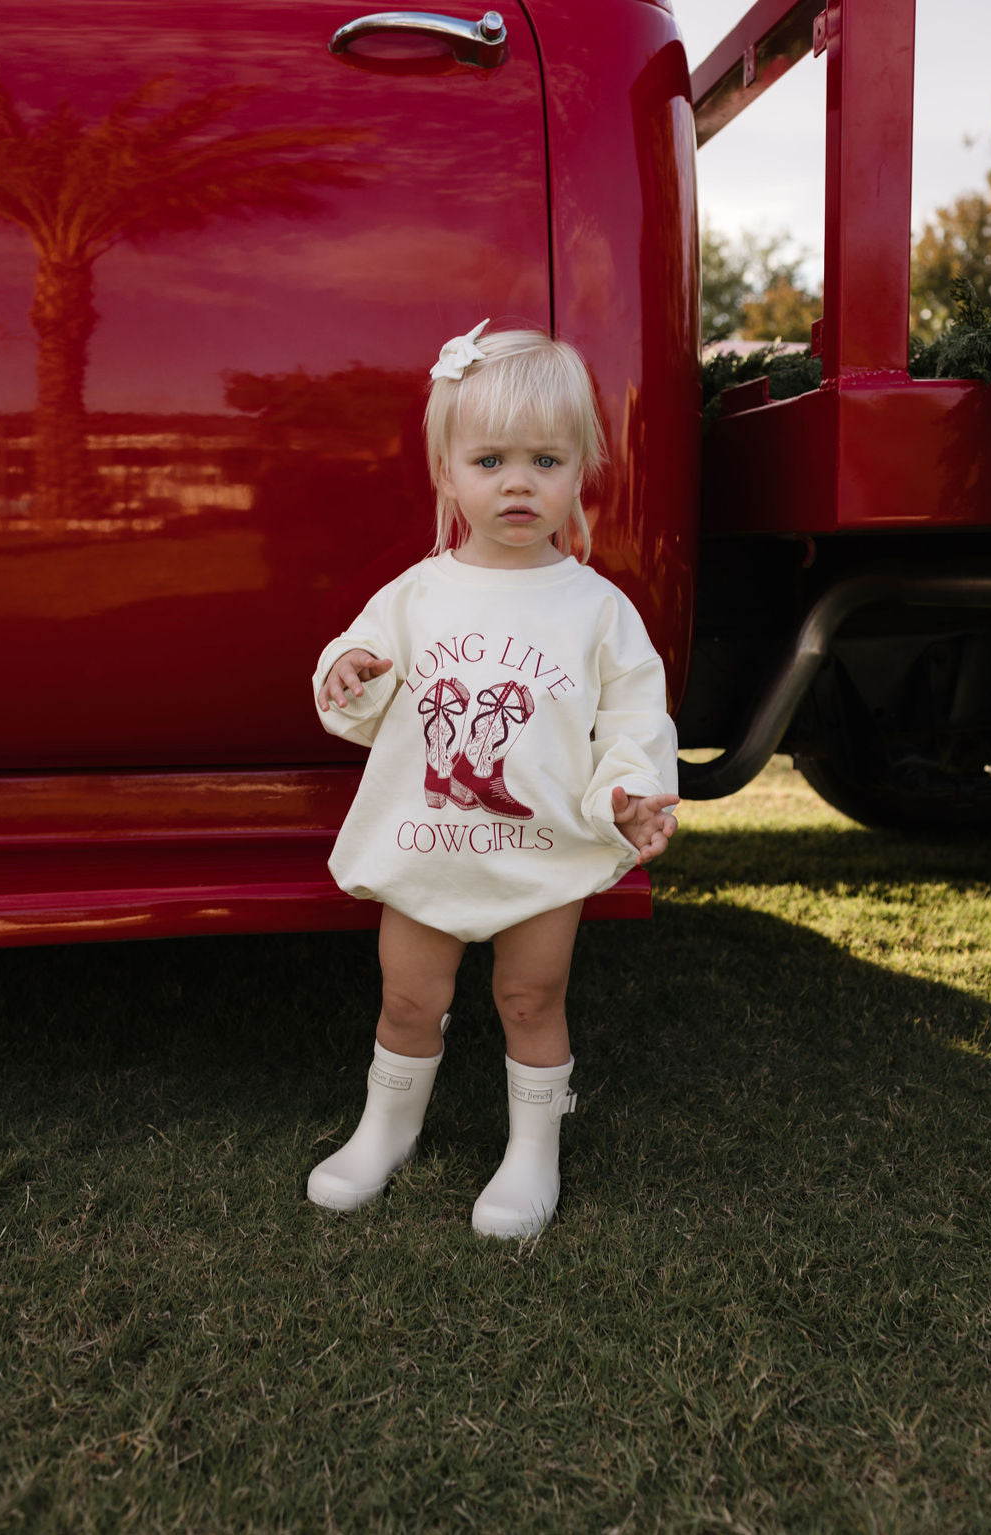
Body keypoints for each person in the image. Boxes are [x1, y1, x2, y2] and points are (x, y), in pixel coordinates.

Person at [307, 320, 680, 1238]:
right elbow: (357, 673)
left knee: (531, 995)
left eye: (546, 459)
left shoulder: (599, 608)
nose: (518, 481)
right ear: (447, 473)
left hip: (540, 846)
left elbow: (634, 718)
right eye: (490, 459)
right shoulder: (416, 593)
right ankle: (386, 1129)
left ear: (581, 468)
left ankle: (532, 1153)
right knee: (407, 995)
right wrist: (349, 670)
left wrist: (628, 793)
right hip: (429, 841)